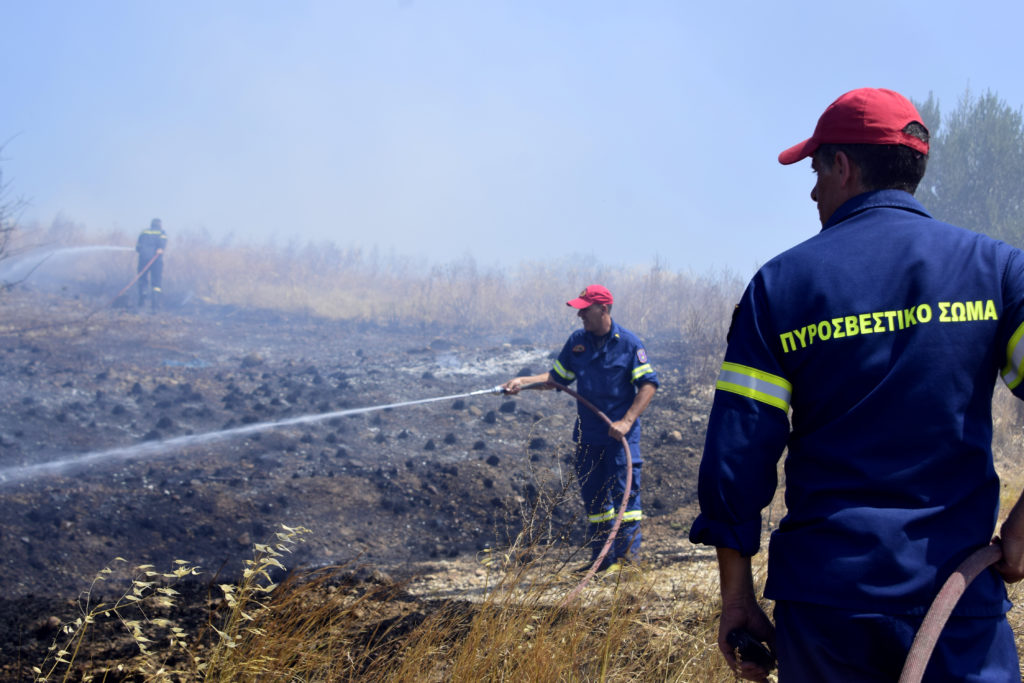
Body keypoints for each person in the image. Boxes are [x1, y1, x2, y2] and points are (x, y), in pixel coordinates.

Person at [689, 87, 1024, 682]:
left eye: (816, 169)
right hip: (958, 597)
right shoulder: (997, 271)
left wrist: (736, 596)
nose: (813, 190)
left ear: (843, 166)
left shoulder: (781, 287)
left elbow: (736, 459)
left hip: (827, 609)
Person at [504, 284, 658, 573]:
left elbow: (648, 384)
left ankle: (627, 564)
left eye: (585, 310)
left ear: (604, 309)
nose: (580, 316)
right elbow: (556, 378)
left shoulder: (629, 344)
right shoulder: (578, 342)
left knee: (626, 498)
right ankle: (602, 561)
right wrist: (522, 382)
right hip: (589, 437)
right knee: (595, 499)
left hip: (620, 438)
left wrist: (626, 421)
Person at [136, 218, 167, 310]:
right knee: (156, 282)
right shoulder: (162, 233)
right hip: (156, 261)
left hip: (143, 259)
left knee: (142, 279)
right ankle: (155, 305)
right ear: (159, 225)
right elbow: (161, 248)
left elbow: (138, 248)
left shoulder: (144, 232)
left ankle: (142, 299)